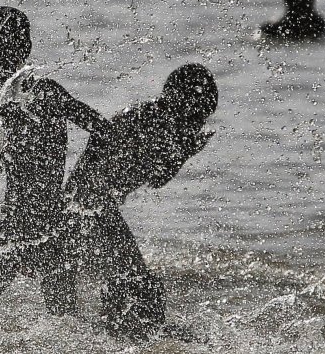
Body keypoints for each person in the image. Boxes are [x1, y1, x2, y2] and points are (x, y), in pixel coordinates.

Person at [0, 6, 111, 316]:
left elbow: (101, 129)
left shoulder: (45, 93)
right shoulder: (1, 96)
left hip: (40, 224)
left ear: (23, 50)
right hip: (26, 221)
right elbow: (5, 147)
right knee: (62, 315)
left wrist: (81, 183)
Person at [64, 63, 217, 339]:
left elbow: (154, 178)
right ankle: (126, 338)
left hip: (91, 208)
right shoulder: (146, 121)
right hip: (88, 208)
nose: (197, 124)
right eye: (196, 117)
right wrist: (183, 153)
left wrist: (183, 152)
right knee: (139, 284)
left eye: (202, 119)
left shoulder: (161, 122)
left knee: (131, 282)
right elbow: (135, 174)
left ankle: (116, 333)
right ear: (178, 101)